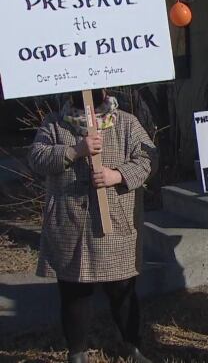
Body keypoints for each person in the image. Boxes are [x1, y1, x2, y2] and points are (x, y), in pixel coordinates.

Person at [28, 88, 157, 363]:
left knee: (122, 287)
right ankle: (77, 352)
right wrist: (75, 150)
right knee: (75, 290)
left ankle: (132, 346)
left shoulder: (126, 122)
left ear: (105, 88)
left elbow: (148, 158)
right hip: (69, 222)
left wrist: (117, 174)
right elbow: (37, 159)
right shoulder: (54, 122)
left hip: (114, 220)